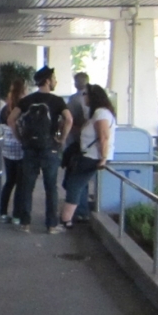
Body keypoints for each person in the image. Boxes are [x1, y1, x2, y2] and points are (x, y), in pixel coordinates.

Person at [7, 66, 73, 234]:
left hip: (30, 148)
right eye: (54, 78)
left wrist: (20, 138)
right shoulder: (57, 101)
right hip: (49, 148)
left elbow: (11, 120)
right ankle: (51, 225)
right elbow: (69, 120)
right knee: (51, 187)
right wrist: (61, 139)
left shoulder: (26, 100)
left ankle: (25, 223)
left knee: (27, 186)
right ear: (48, 81)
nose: (56, 81)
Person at [57, 85, 116, 231]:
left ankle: (66, 220)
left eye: (85, 94)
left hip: (92, 157)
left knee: (74, 185)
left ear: (93, 96)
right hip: (89, 155)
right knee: (74, 184)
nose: (83, 97)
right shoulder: (97, 113)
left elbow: (104, 137)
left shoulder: (101, 113)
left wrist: (103, 158)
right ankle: (74, 215)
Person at [0, 78, 26, 224]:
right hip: (20, 149)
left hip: (7, 149)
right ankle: (17, 215)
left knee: (9, 181)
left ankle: (2, 212)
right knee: (21, 183)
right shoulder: (23, 108)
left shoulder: (5, 108)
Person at [65, 72, 91, 221]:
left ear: (75, 83)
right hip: (90, 146)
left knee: (74, 179)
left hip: (76, 144)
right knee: (83, 180)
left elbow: (69, 121)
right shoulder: (95, 100)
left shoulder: (74, 100)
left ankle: (78, 210)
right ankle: (81, 209)